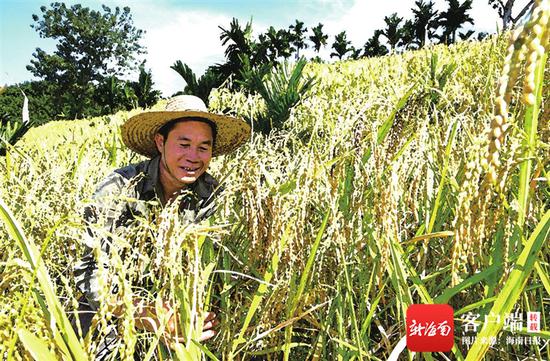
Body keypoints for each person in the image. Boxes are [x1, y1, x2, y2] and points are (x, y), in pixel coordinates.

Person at [73, 95, 250, 359]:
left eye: (204, 147)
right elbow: (90, 272)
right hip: (114, 309)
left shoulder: (214, 197)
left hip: (179, 314)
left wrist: (202, 314)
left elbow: (223, 271)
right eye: (184, 144)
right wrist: (147, 314)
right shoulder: (119, 189)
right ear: (160, 142)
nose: (193, 157)